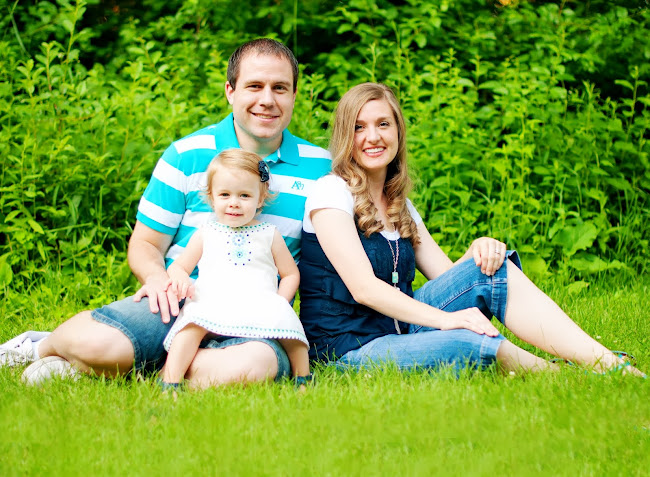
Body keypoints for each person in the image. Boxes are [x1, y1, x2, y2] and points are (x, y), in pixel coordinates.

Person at [0, 38, 330, 387]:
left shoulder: (320, 167)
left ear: (294, 95)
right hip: (179, 300)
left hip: (254, 319)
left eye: (280, 88)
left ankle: (119, 369)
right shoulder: (186, 154)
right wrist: (159, 280)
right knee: (96, 342)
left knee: (255, 365)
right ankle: (42, 347)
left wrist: (279, 307)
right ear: (230, 91)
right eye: (254, 86)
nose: (267, 99)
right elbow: (145, 244)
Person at [298, 82, 645, 377]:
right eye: (359, 127)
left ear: (398, 132)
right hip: (347, 348)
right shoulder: (331, 192)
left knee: (489, 271)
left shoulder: (398, 204)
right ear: (346, 135)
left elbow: (452, 279)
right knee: (465, 340)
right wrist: (447, 321)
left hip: (397, 329)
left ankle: (602, 361)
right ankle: (561, 374)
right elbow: (364, 290)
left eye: (383, 124)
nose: (373, 137)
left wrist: (479, 250)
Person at [160, 149, 310, 390]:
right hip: (212, 300)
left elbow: (290, 273)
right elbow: (179, 266)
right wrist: (180, 279)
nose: (234, 203)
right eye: (225, 194)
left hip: (259, 301)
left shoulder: (269, 234)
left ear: (260, 199)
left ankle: (303, 379)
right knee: (189, 330)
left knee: (292, 333)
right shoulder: (206, 232)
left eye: (244, 195)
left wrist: (281, 300)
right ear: (211, 197)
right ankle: (171, 382)